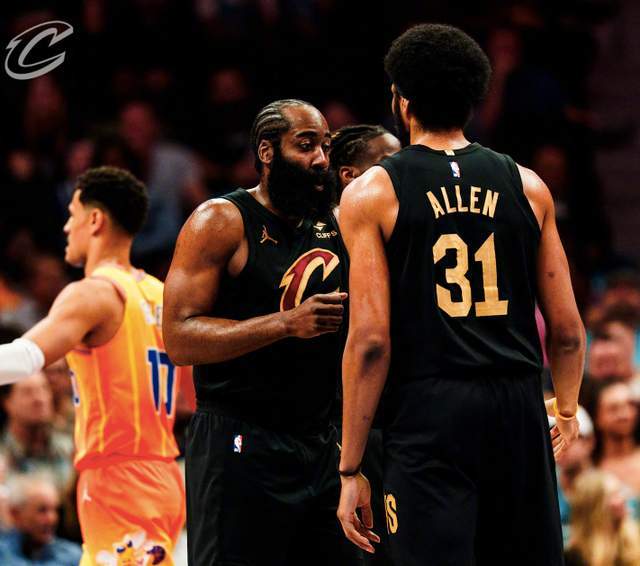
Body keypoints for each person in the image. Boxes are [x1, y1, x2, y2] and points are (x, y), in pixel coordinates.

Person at [336, 24, 585, 566]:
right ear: (473, 98)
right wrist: (566, 409)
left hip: (431, 408)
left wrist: (351, 467)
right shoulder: (528, 185)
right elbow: (567, 330)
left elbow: (371, 339)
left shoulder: (372, 192)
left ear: (402, 101)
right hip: (517, 403)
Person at [163, 99, 360, 566]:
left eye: (325, 147)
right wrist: (285, 323)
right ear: (267, 152)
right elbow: (179, 337)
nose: (320, 159)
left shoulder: (336, 223)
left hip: (319, 442)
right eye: (305, 145)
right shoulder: (221, 219)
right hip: (238, 437)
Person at [0, 166, 186, 564]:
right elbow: (187, 401)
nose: (67, 227)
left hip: (119, 478)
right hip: (163, 474)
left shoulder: (94, 293)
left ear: (96, 219)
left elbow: (25, 358)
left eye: (72, 214)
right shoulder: (162, 296)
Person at [329, 124, 400, 566]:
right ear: (349, 176)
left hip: (401, 419)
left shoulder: (401, 231)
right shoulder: (323, 244)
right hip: (349, 427)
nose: (400, 174)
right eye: (389, 164)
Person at [0, 371, 74, 491]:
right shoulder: (3, 456)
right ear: (7, 402)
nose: (39, 399)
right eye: (27, 392)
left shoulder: (69, 448)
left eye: (44, 389)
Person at [0, 473, 82, 565]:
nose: (52, 519)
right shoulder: (3, 556)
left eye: (55, 510)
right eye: (42, 510)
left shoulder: (73, 557)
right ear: (15, 514)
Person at [564, 469, 640, 566]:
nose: (623, 498)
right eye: (614, 494)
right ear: (596, 506)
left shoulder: (632, 541)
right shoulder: (574, 557)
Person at [591, 378, 640, 493]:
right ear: (597, 417)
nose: (625, 414)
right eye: (614, 409)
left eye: (630, 405)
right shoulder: (589, 468)